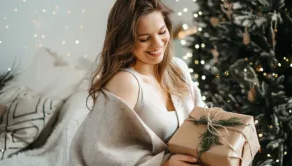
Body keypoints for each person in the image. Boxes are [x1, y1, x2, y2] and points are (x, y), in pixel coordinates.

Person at [68, 0, 207, 165]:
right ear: (125, 41)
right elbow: (95, 151)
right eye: (144, 38)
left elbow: (202, 117)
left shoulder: (178, 68)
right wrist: (163, 164)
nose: (157, 44)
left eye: (162, 32)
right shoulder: (126, 83)